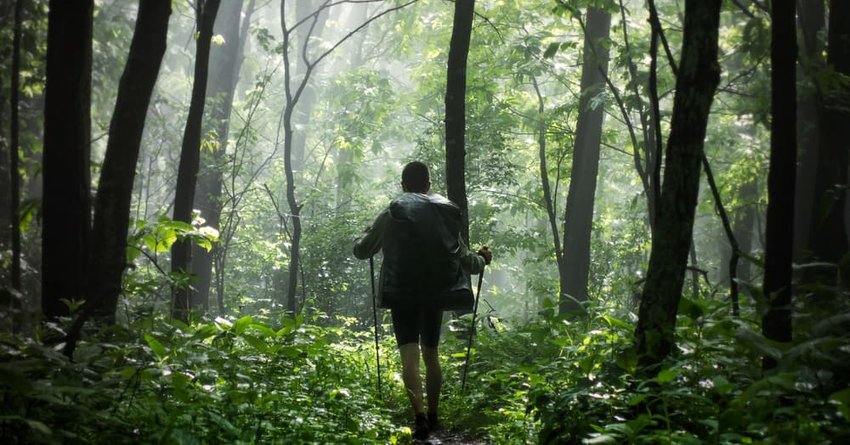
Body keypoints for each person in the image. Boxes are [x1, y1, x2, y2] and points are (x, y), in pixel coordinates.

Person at [353, 161, 492, 440]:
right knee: (431, 355)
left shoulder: (392, 211)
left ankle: (419, 418)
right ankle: (434, 414)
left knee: (409, 357)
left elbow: (362, 250)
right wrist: (483, 258)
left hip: (401, 292)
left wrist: (363, 234)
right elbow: (467, 261)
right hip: (435, 293)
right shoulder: (444, 213)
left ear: (403, 185)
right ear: (428, 185)